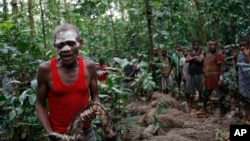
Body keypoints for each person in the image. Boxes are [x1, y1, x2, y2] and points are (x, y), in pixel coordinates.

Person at [35, 23, 101, 141]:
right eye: (61, 45)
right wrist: (50, 132)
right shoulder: (46, 69)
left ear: (80, 43)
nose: (66, 49)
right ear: (55, 46)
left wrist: (94, 109)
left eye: (71, 44)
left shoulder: (89, 67)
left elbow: (95, 96)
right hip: (59, 134)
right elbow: (40, 104)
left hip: (86, 132)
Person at [203, 40, 225, 115]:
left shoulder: (218, 55)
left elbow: (221, 67)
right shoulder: (207, 56)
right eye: (211, 45)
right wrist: (204, 78)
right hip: (208, 78)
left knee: (220, 95)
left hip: (216, 78)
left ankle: (222, 112)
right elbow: (205, 67)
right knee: (205, 94)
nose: (212, 46)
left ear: (216, 46)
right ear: (209, 46)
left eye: (214, 45)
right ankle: (204, 109)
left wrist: (221, 79)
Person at [185, 40, 204, 108]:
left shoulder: (202, 51)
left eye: (196, 45)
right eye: (194, 45)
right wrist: (195, 57)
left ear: (199, 45)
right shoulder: (190, 51)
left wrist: (192, 58)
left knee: (201, 87)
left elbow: (200, 60)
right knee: (189, 87)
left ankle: (201, 101)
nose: (195, 46)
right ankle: (190, 102)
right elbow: (186, 60)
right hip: (191, 72)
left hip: (199, 72)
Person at [236, 38, 250, 124]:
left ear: (248, 45)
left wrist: (246, 54)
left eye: (244, 45)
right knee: (245, 98)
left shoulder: (248, 53)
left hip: (248, 79)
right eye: (240, 46)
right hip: (242, 79)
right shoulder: (239, 54)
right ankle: (246, 116)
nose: (242, 47)